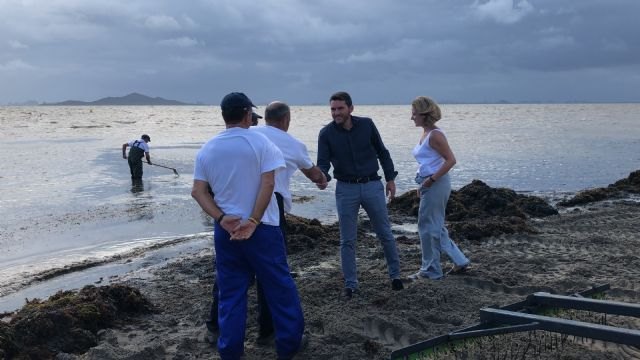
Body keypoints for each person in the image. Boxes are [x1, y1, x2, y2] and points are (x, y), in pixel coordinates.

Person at [191, 92, 305, 360]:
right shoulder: (261, 142)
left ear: (223, 116)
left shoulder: (208, 148)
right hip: (261, 228)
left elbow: (198, 192)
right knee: (279, 286)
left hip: (227, 230)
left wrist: (220, 217)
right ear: (246, 114)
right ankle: (288, 345)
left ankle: (230, 351)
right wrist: (253, 219)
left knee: (230, 292)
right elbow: (268, 183)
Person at [317, 91, 404, 299]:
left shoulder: (367, 125)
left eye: (340, 108)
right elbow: (323, 164)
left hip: (372, 185)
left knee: (385, 233)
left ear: (350, 108)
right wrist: (322, 178)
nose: (336, 113)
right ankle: (351, 285)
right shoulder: (326, 134)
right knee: (347, 239)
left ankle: (396, 277)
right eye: (333, 109)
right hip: (345, 189)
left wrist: (390, 179)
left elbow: (383, 152)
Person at [408, 96, 470, 281]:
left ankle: (431, 270)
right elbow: (429, 162)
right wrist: (423, 184)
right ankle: (459, 260)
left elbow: (451, 160)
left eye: (414, 114)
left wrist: (431, 180)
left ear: (424, 114)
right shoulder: (427, 133)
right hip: (429, 183)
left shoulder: (435, 135)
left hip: (437, 183)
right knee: (434, 225)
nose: (412, 118)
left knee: (427, 227)